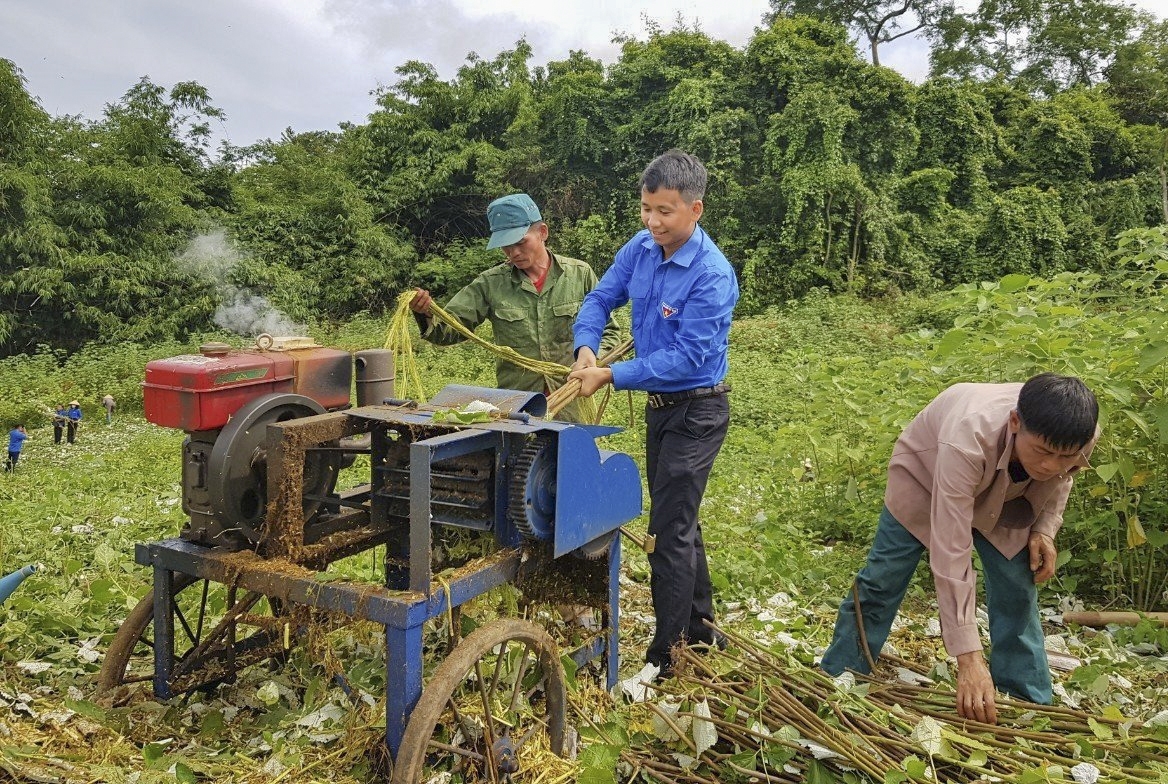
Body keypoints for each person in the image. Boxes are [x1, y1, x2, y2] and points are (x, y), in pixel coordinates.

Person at [820, 373, 1099, 724]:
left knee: (1017, 585)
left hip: (1011, 492)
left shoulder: (1080, 431)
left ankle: (1025, 701)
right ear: (1015, 422)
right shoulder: (967, 438)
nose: (1050, 465)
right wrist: (969, 659)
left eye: (1065, 455)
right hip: (926, 479)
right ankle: (841, 677)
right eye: (1043, 451)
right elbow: (951, 554)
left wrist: (1044, 529)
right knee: (883, 579)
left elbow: (1063, 477)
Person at [570, 149, 739, 679]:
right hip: (661, 410)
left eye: (665, 211)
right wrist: (586, 348)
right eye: (646, 209)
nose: (653, 222)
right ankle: (703, 632)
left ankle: (666, 656)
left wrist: (612, 375)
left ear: (695, 209)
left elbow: (687, 357)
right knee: (679, 519)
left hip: (698, 411)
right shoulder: (641, 248)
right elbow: (600, 298)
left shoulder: (711, 275)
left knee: (667, 531)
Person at [409, 193, 620, 422]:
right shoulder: (490, 284)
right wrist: (426, 313)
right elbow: (447, 330)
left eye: (520, 243)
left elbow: (609, 331)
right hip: (517, 409)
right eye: (506, 246)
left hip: (572, 405)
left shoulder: (579, 275)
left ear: (542, 232)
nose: (514, 253)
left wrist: (590, 359)